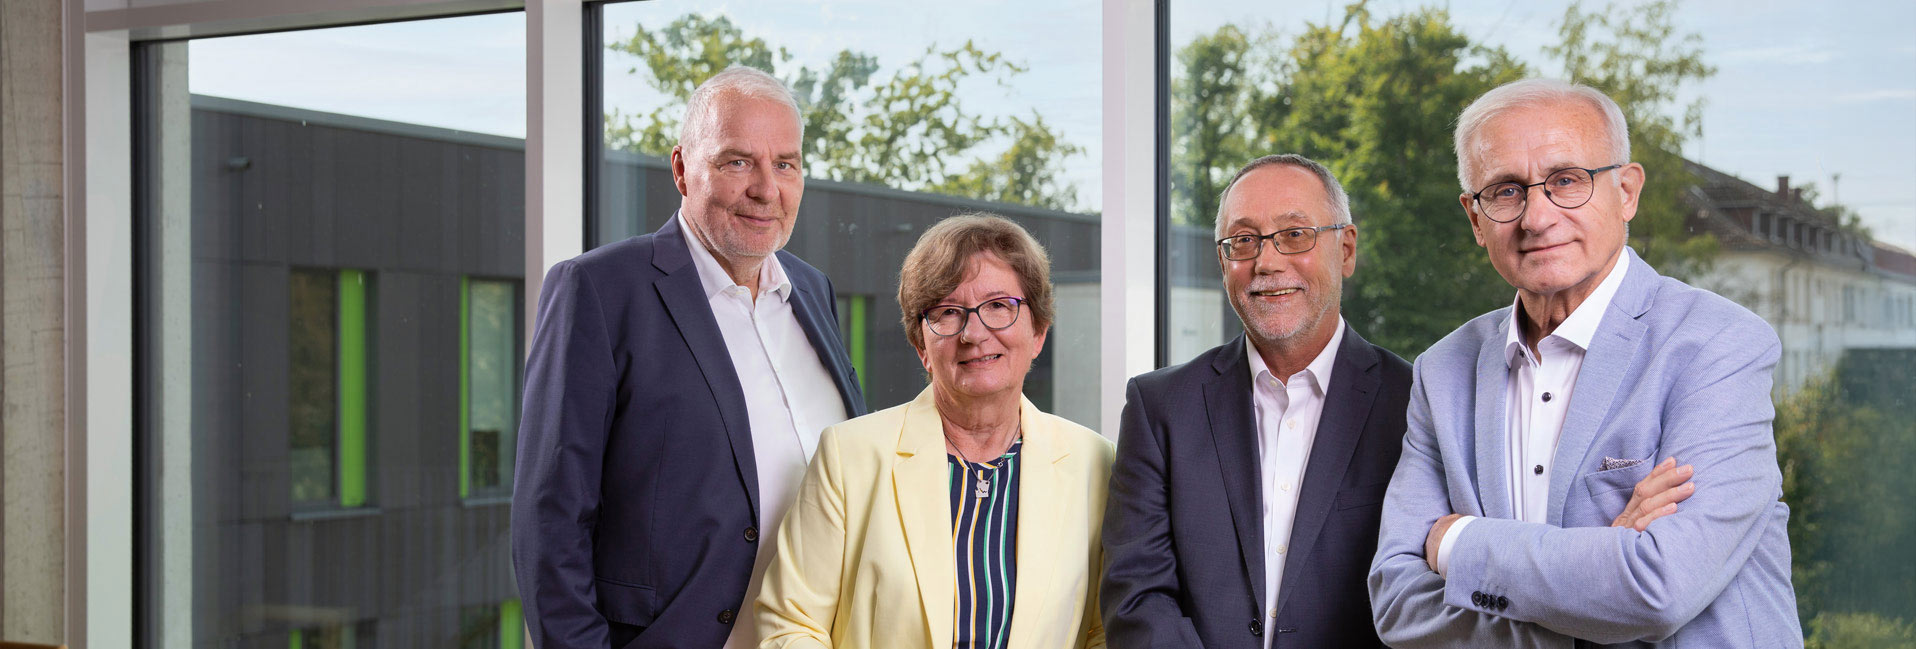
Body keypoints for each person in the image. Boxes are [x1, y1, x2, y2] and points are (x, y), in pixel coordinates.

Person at [1368, 78, 1800, 647]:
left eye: (1566, 180)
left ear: (1626, 191)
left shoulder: (1719, 346)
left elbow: (1657, 588)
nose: (1536, 217)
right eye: (1504, 191)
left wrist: (1458, 545)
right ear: (1474, 219)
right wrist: (1597, 580)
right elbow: (1398, 605)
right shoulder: (1442, 372)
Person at [512, 66, 867, 649]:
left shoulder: (812, 291)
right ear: (681, 168)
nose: (766, 188)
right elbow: (549, 524)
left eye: (785, 164)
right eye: (736, 162)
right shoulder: (599, 290)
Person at [756, 213, 1112, 649]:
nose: (974, 333)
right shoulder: (848, 457)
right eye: (948, 312)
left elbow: (1105, 630)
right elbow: (789, 624)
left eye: (999, 306)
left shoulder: (1098, 464)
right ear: (921, 344)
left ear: (1038, 330)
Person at [1101, 154, 1413, 648]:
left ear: (1346, 249)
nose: (1266, 262)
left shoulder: (1414, 405)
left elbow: (1424, 600)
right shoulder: (1159, 408)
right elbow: (1136, 597)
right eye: (1243, 241)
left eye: (1295, 235)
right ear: (1224, 262)